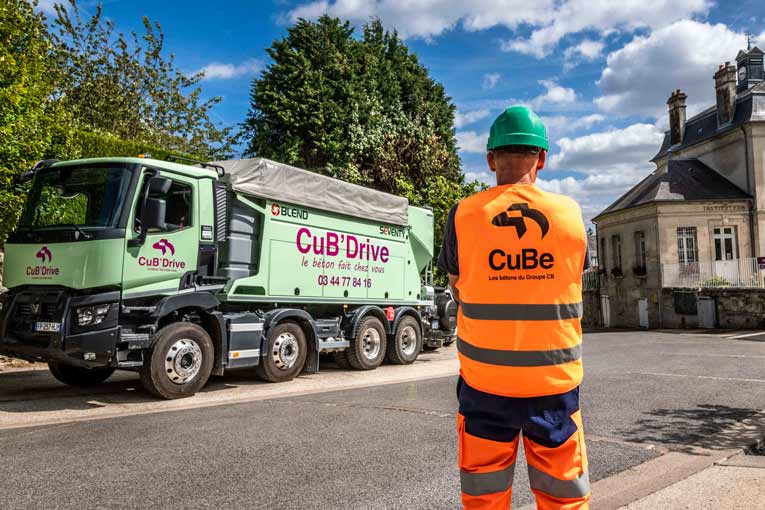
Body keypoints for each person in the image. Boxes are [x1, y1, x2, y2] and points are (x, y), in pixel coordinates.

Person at [438, 106, 590, 509]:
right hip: (553, 386)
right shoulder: (571, 215)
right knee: (563, 496)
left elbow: (457, 286)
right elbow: (572, 277)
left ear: (490, 159)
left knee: (484, 495)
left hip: (485, 386)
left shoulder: (463, 215)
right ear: (542, 157)